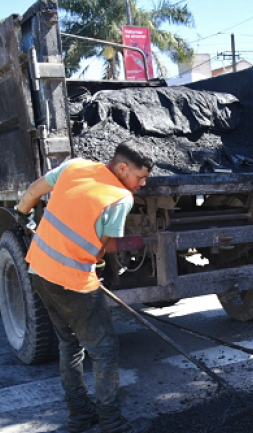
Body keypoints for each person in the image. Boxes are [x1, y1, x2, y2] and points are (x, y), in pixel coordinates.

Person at [14, 140, 153, 433]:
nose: (141, 184)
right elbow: (103, 247)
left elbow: (36, 190)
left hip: (39, 270)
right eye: (140, 177)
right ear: (122, 167)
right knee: (104, 350)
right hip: (73, 283)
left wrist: (22, 214)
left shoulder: (75, 166)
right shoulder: (119, 198)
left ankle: (80, 415)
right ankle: (111, 423)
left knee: (69, 344)